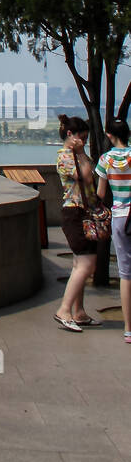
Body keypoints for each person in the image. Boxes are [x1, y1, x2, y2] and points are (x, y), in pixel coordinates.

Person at [55, 115, 102, 331]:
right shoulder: (65, 157)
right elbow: (87, 176)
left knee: (78, 265)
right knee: (86, 264)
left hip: (82, 212)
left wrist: (82, 154)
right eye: (82, 138)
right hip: (75, 214)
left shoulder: (74, 155)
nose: (84, 142)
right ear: (70, 135)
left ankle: (79, 312)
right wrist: (82, 153)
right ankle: (64, 310)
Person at [96, 118, 131, 344]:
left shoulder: (105, 160)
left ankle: (129, 328)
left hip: (119, 217)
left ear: (109, 135)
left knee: (125, 274)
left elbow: (100, 194)